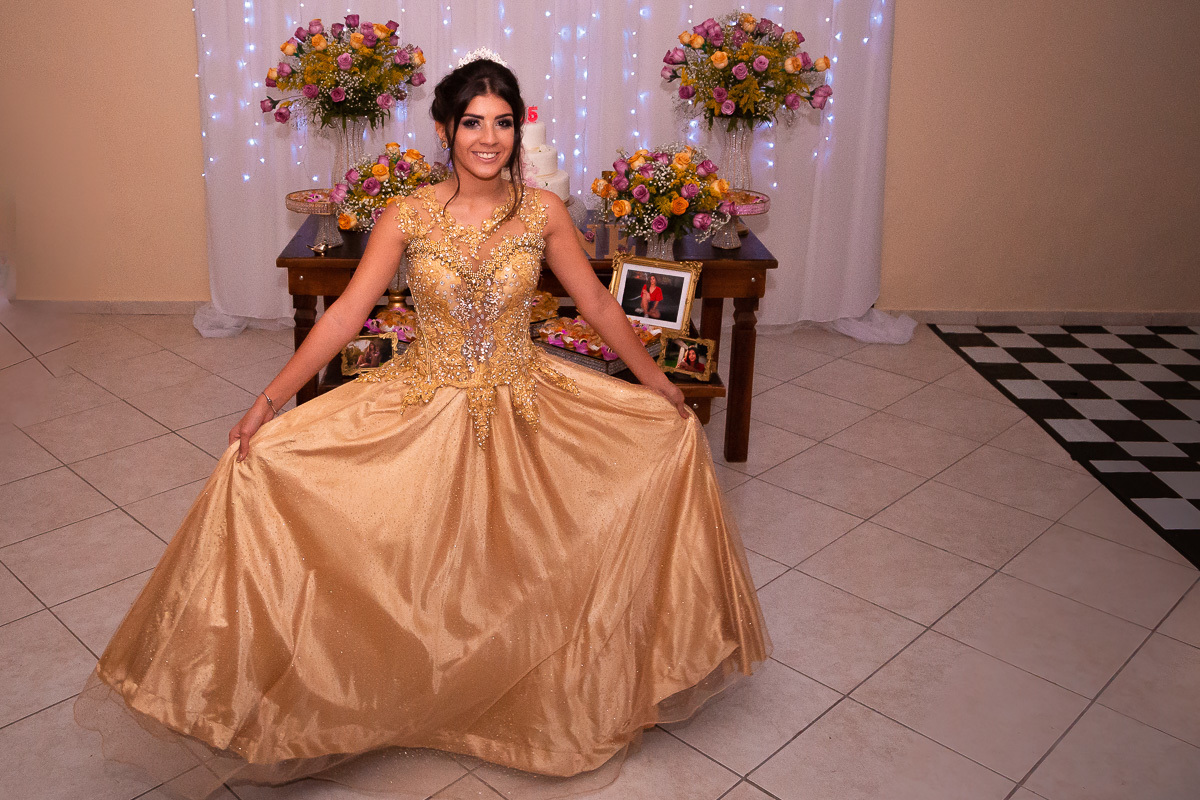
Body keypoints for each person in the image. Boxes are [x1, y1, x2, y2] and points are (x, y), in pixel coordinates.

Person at [73, 51, 769, 800]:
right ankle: (399, 692)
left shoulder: (542, 212)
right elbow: (345, 314)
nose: (489, 138)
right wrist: (270, 400)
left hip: (523, 396)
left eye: (503, 123)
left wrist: (659, 383)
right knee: (377, 539)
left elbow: (598, 305)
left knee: (533, 548)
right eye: (473, 123)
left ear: (518, 131)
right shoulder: (406, 214)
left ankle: (517, 688)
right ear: (445, 129)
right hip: (424, 396)